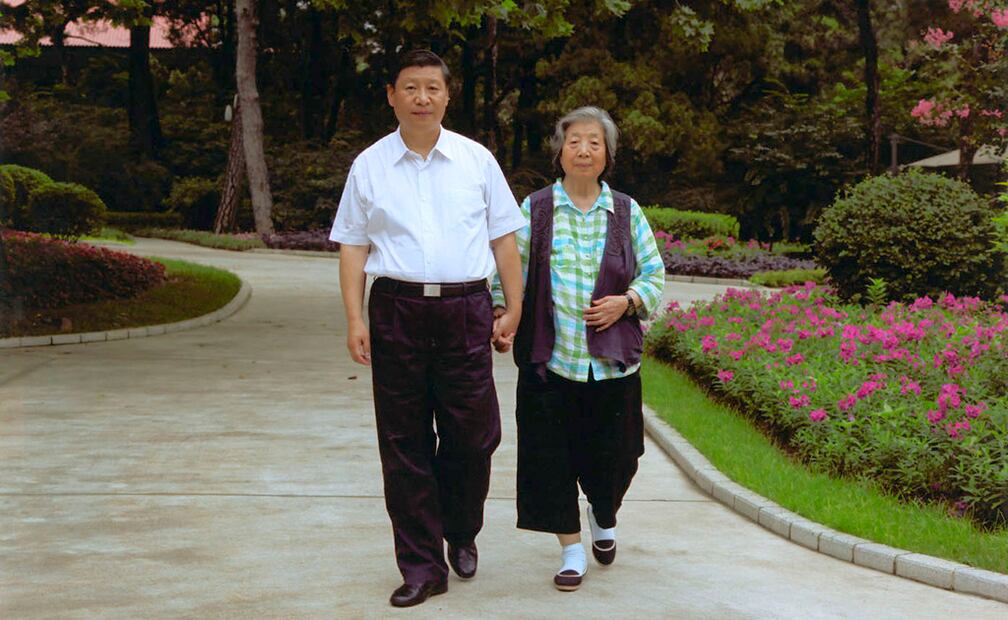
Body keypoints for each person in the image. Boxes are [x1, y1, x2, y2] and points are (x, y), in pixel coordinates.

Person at [329, 49, 525, 608]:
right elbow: (353, 246)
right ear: (392, 96)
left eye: (432, 88)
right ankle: (422, 566)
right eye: (410, 87)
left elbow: (504, 239)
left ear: (447, 95)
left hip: (465, 309)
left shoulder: (476, 160)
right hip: (397, 309)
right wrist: (355, 317)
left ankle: (460, 529)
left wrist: (513, 307)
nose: (422, 98)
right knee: (403, 442)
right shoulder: (369, 165)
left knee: (475, 436)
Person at [492, 106, 665, 592]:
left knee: (620, 457)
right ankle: (570, 549)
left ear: (607, 154)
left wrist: (627, 302)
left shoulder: (626, 211)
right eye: (574, 141)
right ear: (560, 152)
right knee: (551, 460)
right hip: (550, 363)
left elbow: (654, 274)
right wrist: (503, 312)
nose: (584, 150)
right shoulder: (535, 209)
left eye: (594, 142)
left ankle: (603, 514)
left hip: (613, 368)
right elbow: (508, 270)